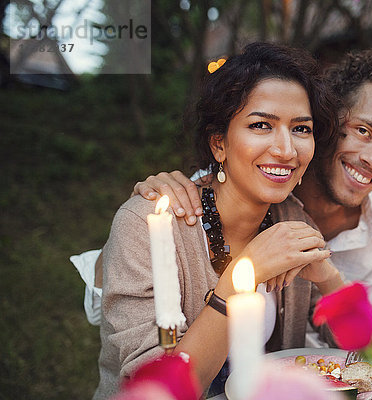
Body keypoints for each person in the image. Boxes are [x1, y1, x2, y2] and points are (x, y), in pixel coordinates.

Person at [93, 42, 345, 399]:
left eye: (301, 129)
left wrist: (329, 278)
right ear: (219, 144)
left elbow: (365, 348)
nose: (287, 149)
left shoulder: (292, 220)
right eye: (261, 125)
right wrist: (241, 278)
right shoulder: (147, 225)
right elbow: (154, 389)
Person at [131, 49, 372, 313]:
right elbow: (128, 272)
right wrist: (149, 211)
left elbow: (358, 337)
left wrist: (329, 277)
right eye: (363, 131)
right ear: (329, 122)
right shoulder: (256, 181)